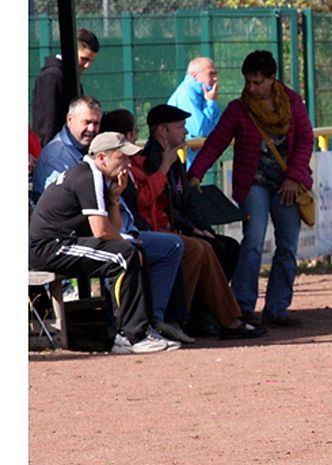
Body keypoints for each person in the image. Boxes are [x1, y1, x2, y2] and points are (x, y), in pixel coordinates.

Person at [188, 50, 315, 328]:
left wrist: (294, 177)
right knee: (253, 242)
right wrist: (195, 173)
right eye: (248, 82)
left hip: (288, 186)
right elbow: (216, 142)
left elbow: (306, 140)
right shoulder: (239, 109)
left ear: (272, 79)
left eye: (257, 82)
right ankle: (242, 307)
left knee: (287, 247)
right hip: (253, 183)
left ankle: (277, 308)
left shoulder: (292, 103)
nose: (252, 88)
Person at [131, 104, 266, 341]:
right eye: (180, 126)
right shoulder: (152, 159)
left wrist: (202, 227)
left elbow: (186, 201)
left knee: (227, 246)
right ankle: (204, 317)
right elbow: (159, 204)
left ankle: (206, 314)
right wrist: (190, 228)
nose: (185, 132)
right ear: (162, 131)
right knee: (205, 248)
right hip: (162, 231)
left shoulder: (175, 159)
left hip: (179, 227)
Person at [28, 132, 173, 354]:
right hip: (49, 247)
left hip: (61, 243)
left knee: (129, 250)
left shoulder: (97, 176)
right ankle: (130, 335)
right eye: (121, 157)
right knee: (124, 255)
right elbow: (101, 230)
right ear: (102, 157)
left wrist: (115, 198)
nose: (127, 163)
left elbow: (109, 229)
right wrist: (128, 245)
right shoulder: (89, 175)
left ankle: (139, 329)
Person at [100, 109, 195, 345]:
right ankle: (147, 324)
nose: (185, 131)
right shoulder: (134, 162)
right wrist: (164, 167)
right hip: (126, 232)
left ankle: (182, 319)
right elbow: (143, 200)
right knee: (185, 249)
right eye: (179, 125)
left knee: (195, 246)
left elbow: (179, 202)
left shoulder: (137, 160)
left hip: (140, 228)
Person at [31, 28, 100, 146]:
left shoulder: (67, 76)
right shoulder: (52, 77)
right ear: (71, 52)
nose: (87, 65)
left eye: (91, 61)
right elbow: (47, 122)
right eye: (84, 59)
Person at [33, 95, 102, 197]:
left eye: (96, 123)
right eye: (87, 122)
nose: (91, 129)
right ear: (70, 119)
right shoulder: (56, 157)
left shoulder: (90, 148)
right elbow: (57, 204)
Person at [167, 56, 221, 168]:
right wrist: (211, 103)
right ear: (194, 75)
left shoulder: (203, 95)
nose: (215, 78)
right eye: (210, 74)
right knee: (181, 186)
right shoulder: (186, 93)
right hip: (180, 168)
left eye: (215, 74)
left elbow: (217, 129)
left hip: (192, 165)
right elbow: (200, 133)